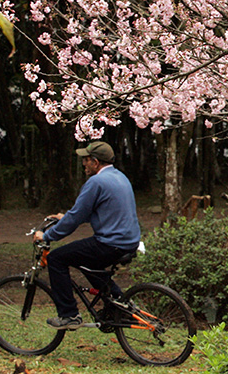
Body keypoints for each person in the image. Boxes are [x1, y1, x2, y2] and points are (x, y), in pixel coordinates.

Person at [33, 141, 141, 330]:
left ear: (96, 162)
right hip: (128, 241)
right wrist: (65, 216)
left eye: (86, 160)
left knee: (57, 259)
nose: (84, 163)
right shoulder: (120, 177)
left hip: (110, 243)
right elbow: (95, 211)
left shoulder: (96, 182)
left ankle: (69, 315)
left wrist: (47, 236)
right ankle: (120, 305)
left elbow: (75, 219)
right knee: (89, 263)